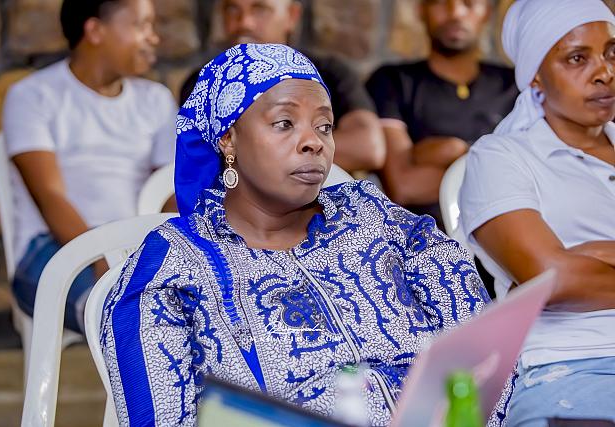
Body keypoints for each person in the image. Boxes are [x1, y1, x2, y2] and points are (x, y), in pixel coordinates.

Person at [100, 44, 503, 426]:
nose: (314, 142)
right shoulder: (171, 269)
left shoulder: (377, 219)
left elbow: (485, 354)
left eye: (325, 126)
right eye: (284, 123)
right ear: (228, 139)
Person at [459, 0, 615, 425]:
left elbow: (561, 273)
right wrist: (562, 270)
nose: (605, 72)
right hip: (574, 364)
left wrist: (589, 256)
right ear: (536, 76)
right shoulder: (501, 158)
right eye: (577, 58)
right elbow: (552, 279)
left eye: (612, 52)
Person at [2, 0, 177, 333]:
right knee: (115, 314)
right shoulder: (33, 96)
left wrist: (154, 251)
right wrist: (102, 256)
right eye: (141, 25)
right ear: (95, 31)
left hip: (137, 244)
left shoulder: (155, 100)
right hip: (54, 247)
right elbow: (49, 196)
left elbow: (170, 190)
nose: (153, 37)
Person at [179, 0, 386, 174]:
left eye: (260, 9)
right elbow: (200, 160)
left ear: (292, 16)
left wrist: (259, 154)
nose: (244, 22)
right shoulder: (205, 82)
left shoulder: (328, 73)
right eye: (232, 9)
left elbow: (367, 147)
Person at [366, 0, 518, 228]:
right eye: (440, 2)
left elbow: (537, 176)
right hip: (423, 238)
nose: (455, 12)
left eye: (468, 2)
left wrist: (456, 151)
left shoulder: (515, 86)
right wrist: (495, 170)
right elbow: (404, 187)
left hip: (510, 235)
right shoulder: (392, 82)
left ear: (486, 12)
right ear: (421, 10)